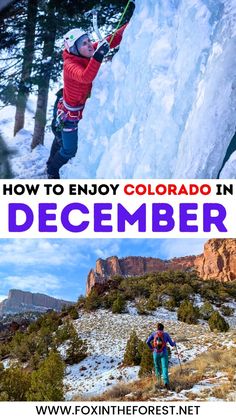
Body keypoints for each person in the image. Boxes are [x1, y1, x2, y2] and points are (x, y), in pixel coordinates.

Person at [47, 24, 128, 179]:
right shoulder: (69, 65)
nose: (90, 44)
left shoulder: (87, 52)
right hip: (69, 115)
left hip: (78, 109)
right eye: (83, 44)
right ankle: (52, 171)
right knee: (69, 150)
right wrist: (98, 56)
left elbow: (114, 38)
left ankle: (59, 141)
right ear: (74, 50)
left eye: (89, 40)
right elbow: (85, 77)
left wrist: (133, 19)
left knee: (65, 143)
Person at [146, 323, 176, 390]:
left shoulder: (154, 334)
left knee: (157, 367)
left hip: (155, 353)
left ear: (157, 328)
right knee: (164, 367)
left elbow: (147, 342)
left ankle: (158, 382)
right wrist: (175, 343)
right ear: (163, 328)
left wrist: (152, 348)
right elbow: (171, 344)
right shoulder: (166, 334)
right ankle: (166, 383)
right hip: (164, 353)